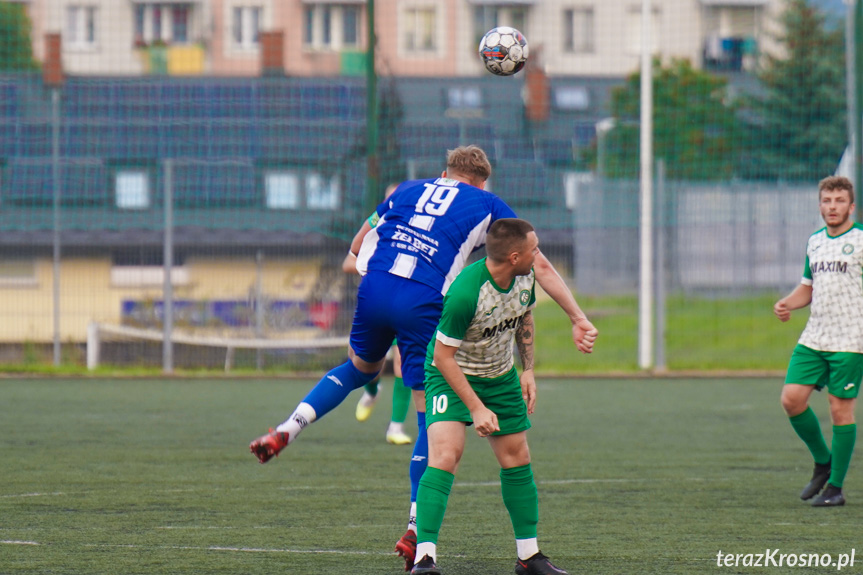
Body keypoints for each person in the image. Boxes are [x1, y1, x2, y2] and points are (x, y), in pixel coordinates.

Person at [249, 146, 597, 568]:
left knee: (358, 368)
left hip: (377, 287)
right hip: (424, 299)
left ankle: (290, 426)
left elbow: (358, 245)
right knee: (427, 407)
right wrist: (578, 317)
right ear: (481, 181)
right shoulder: (487, 203)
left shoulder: (409, 188)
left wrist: (372, 269)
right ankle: (416, 528)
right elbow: (534, 261)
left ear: (443, 172)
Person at [411, 218, 566, 575]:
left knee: (517, 456)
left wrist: (527, 369)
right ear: (514, 256)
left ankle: (529, 557)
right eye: (534, 249)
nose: (538, 255)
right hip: (449, 375)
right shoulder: (466, 292)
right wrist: (476, 408)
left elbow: (523, 314)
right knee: (446, 454)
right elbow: (442, 357)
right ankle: (424, 558)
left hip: (499, 377)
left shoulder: (525, 276)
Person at [774, 175, 863, 507]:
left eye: (839, 201)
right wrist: (787, 303)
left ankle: (836, 488)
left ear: (851, 206)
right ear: (820, 205)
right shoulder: (815, 241)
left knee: (840, 411)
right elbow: (808, 287)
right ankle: (823, 462)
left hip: (850, 339)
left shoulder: (861, 239)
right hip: (815, 336)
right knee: (791, 400)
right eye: (827, 201)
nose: (832, 207)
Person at [342, 184, 414, 445]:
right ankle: (372, 391)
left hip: (406, 307)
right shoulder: (375, 232)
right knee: (363, 361)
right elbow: (348, 262)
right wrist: (378, 271)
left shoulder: (417, 232)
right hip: (377, 305)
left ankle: (395, 427)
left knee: (403, 365)